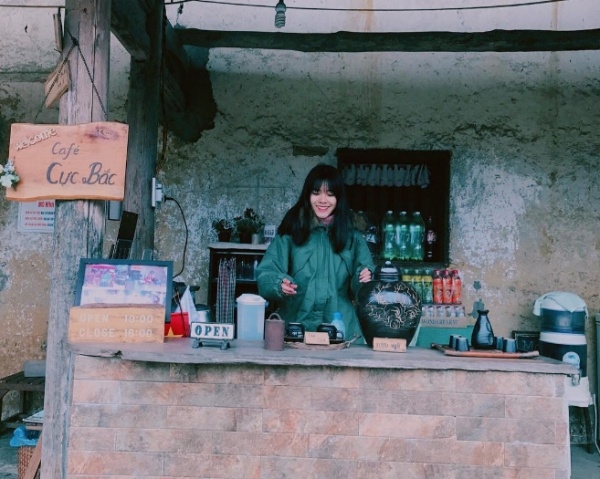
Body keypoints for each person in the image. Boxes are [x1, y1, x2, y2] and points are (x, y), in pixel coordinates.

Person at [256, 164, 374, 343]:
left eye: (330, 194)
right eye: (316, 192)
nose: (323, 200)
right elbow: (266, 274)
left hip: (342, 332)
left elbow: (364, 290)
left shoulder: (353, 237)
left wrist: (363, 278)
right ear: (307, 195)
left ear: (339, 198)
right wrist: (278, 284)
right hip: (295, 330)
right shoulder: (291, 232)